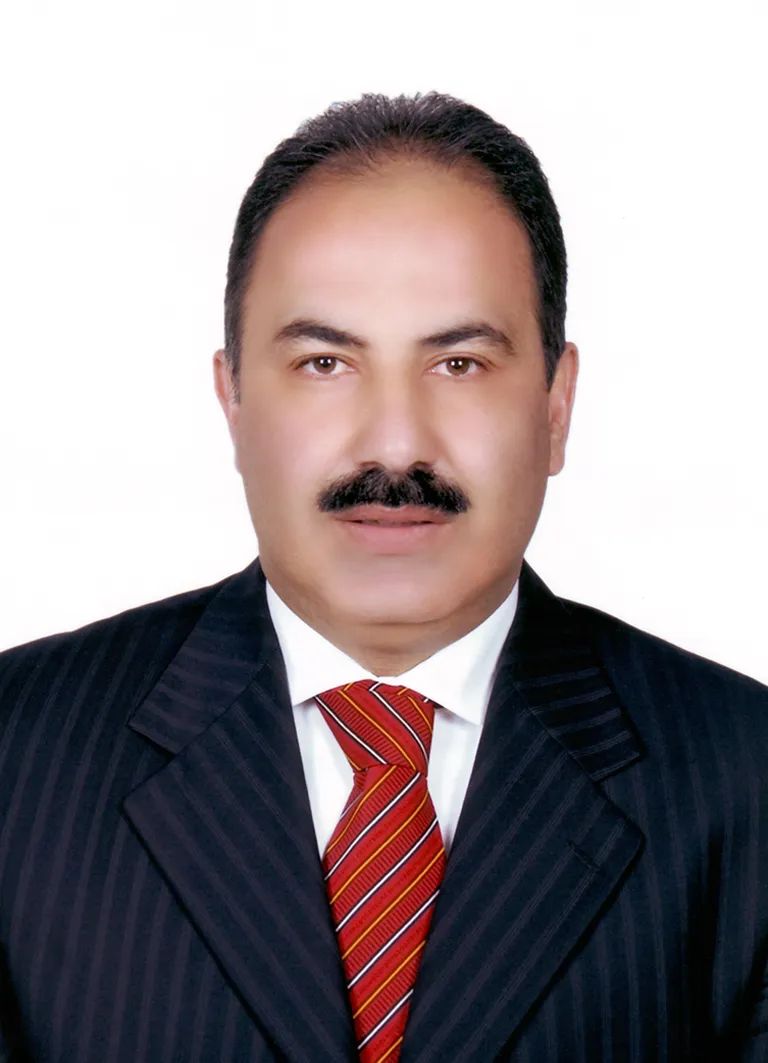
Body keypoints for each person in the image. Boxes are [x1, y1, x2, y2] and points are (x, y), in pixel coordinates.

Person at [0, 90, 766, 1063]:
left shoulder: (745, 780)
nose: (397, 444)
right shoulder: (19, 758)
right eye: (326, 363)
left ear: (556, 405)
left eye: (459, 364)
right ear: (233, 400)